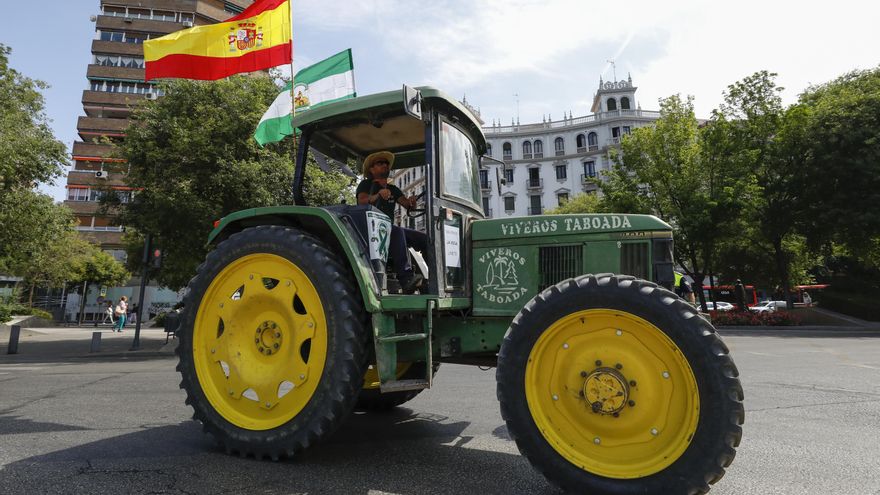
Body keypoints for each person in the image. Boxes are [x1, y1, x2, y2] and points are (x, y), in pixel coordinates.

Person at [356, 151, 427, 294]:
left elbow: (407, 205)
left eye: (386, 164)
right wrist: (377, 195)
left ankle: (432, 280)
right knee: (397, 231)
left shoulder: (393, 189)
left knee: (423, 239)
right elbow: (361, 201)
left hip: (388, 228)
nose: (385, 165)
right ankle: (406, 279)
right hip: (371, 228)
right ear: (372, 169)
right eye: (380, 163)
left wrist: (412, 202)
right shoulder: (366, 185)